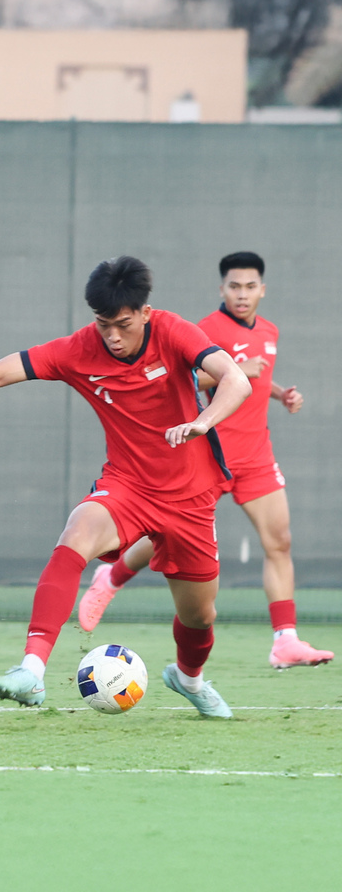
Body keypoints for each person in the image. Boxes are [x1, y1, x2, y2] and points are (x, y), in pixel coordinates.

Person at [0, 256, 252, 718]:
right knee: (75, 534)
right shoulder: (79, 350)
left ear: (145, 312)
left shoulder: (173, 331)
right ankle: (31, 671)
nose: (113, 336)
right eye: (104, 325)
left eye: (123, 324)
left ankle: (188, 678)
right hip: (128, 485)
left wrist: (203, 422)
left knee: (200, 617)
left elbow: (235, 380)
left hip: (191, 497)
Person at [78, 252, 334, 669]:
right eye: (234, 286)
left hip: (256, 453)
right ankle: (112, 576)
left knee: (280, 540)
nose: (242, 294)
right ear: (222, 289)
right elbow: (182, 377)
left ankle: (285, 640)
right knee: (166, 535)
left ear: (262, 290)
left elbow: (257, 377)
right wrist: (237, 369)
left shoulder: (269, 330)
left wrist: (281, 393)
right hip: (206, 454)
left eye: (250, 287)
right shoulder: (205, 329)